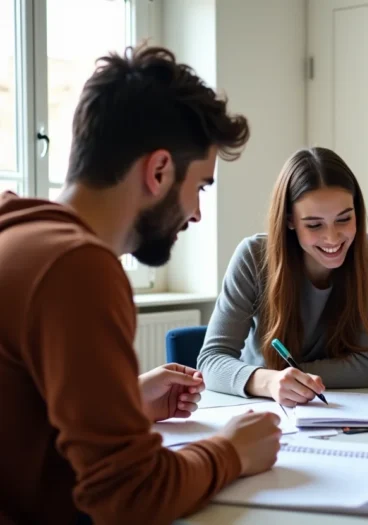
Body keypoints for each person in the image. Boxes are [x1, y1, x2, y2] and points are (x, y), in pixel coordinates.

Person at [0, 46, 282, 524]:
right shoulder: (75, 267)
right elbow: (131, 497)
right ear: (158, 171)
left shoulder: (16, 229)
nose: (197, 213)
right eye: (200, 187)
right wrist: (231, 451)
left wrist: (126, 399)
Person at [197, 147, 368, 406]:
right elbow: (211, 361)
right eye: (314, 225)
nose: (332, 237)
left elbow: (365, 368)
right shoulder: (253, 257)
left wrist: (284, 375)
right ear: (290, 220)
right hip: (262, 405)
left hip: (339, 408)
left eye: (344, 219)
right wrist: (270, 382)